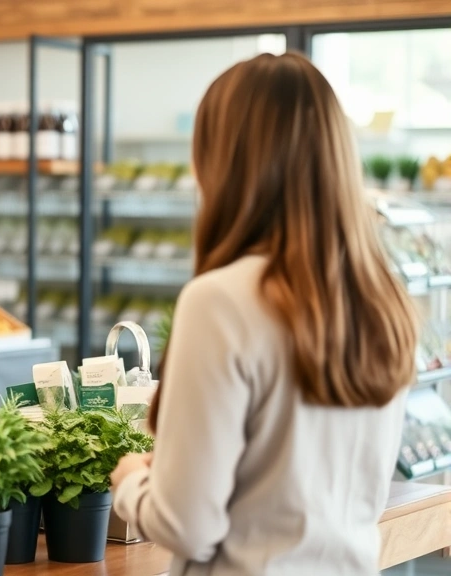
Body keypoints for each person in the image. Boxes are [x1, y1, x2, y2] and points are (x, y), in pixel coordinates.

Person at [110, 52, 418, 575]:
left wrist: (131, 482)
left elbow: (189, 525)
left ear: (226, 164)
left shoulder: (221, 300)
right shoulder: (380, 300)